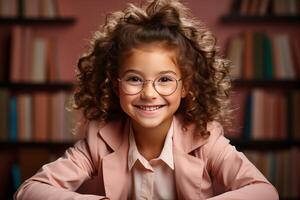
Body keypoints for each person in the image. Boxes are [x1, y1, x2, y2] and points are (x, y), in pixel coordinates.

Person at [14, 0, 279, 199]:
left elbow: (265, 192)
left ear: (185, 87)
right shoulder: (99, 141)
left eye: (165, 79)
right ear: (116, 87)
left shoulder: (205, 138)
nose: (149, 93)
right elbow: (29, 191)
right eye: (134, 79)